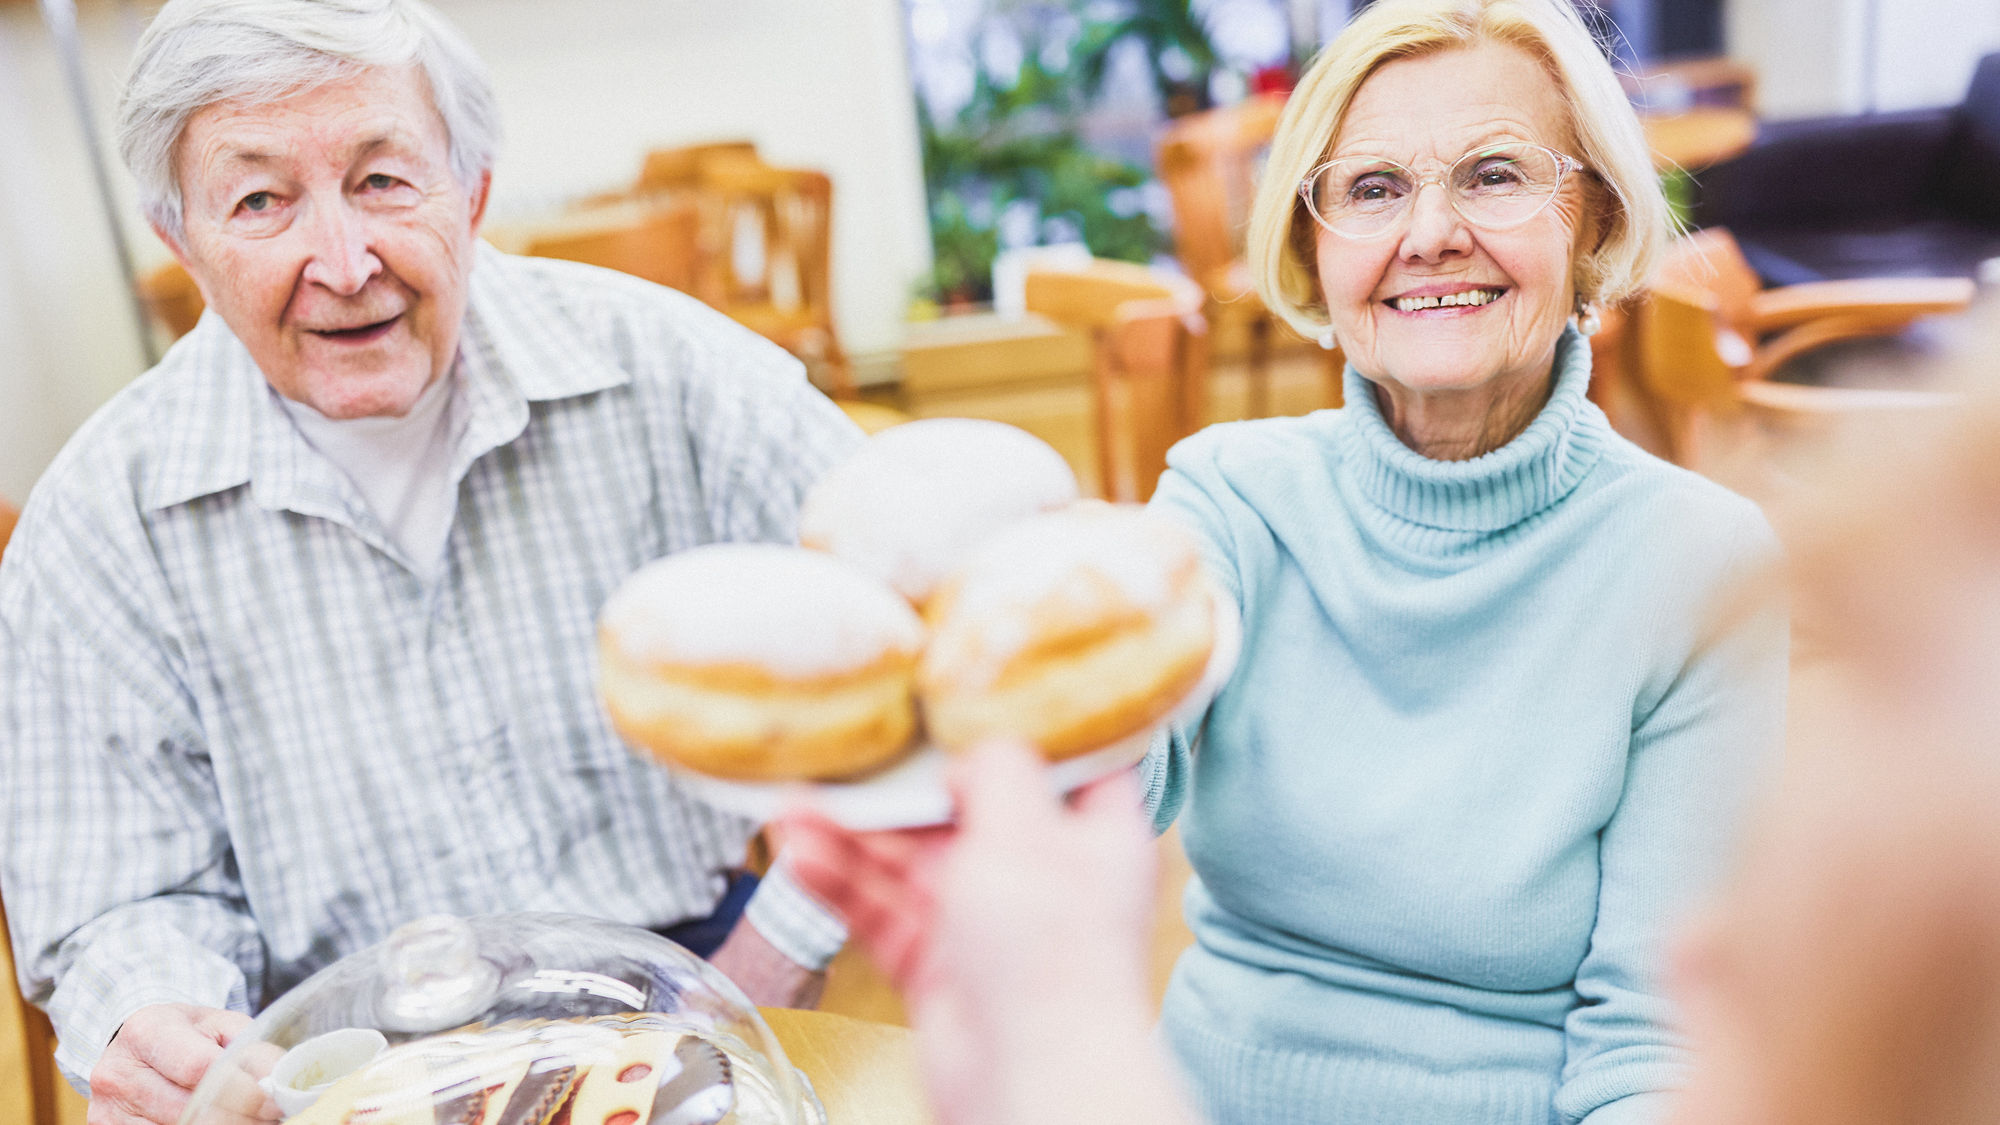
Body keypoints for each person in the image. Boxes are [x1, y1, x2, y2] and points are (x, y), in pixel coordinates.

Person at [795, 2, 1785, 1122]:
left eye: (1495, 175)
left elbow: (1653, 1047)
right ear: (1314, 243)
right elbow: (1102, 770)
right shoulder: (1231, 495)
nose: (1430, 233)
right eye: (1371, 188)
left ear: (1594, 219)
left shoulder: (1702, 567)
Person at [0, 1, 858, 1121]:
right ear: (183, 243)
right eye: (259, 201)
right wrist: (156, 1020)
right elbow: (118, 901)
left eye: (383, 180)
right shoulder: (99, 521)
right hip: (330, 1064)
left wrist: (771, 954)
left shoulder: (667, 367)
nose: (342, 262)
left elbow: (920, 649)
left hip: (682, 992)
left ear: (473, 191)